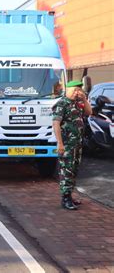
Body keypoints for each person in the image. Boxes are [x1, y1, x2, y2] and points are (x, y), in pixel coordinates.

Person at [52, 80, 92, 210]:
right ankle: (65, 199)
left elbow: (89, 112)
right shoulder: (61, 104)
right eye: (75, 90)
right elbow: (56, 124)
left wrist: (84, 99)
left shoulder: (78, 103)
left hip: (77, 144)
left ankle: (69, 195)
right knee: (66, 170)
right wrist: (60, 143)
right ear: (67, 90)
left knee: (73, 169)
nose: (77, 92)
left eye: (79, 90)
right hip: (67, 144)